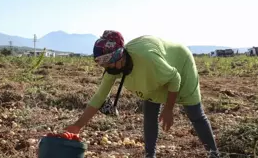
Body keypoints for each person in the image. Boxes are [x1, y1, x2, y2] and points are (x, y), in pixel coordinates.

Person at [64, 30, 220, 158]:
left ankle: (214, 154)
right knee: (150, 114)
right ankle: (149, 155)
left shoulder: (147, 59)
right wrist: (78, 125)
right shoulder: (113, 68)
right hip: (154, 74)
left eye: (107, 61)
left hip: (179, 63)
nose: (106, 66)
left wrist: (168, 108)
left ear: (119, 55)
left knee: (195, 114)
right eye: (101, 63)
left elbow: (175, 78)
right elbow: (99, 98)